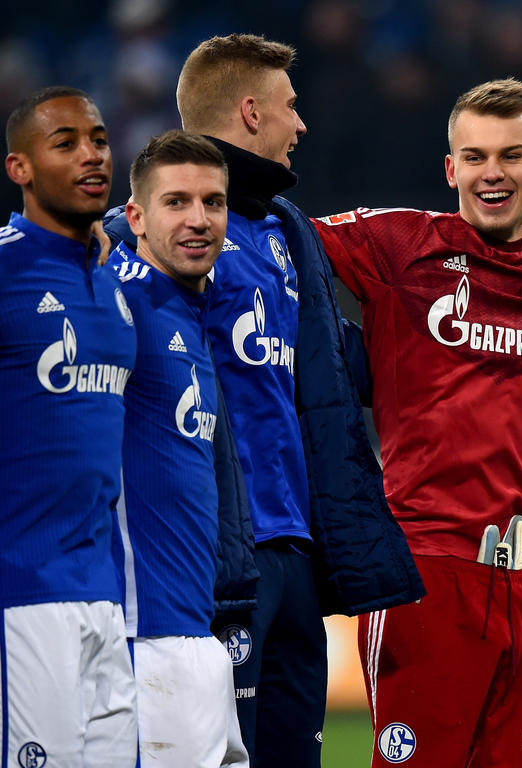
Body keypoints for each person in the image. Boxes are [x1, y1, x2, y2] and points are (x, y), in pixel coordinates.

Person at [116, 34, 424, 767]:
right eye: (291, 107)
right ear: (251, 112)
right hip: (215, 552)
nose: (302, 125)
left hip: (294, 549)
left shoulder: (288, 235)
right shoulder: (154, 240)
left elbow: (337, 367)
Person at [312, 78, 522, 768]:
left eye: (510, 155)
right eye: (473, 157)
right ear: (451, 170)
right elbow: (279, 243)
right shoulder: (399, 244)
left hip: (521, 579)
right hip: (425, 570)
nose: (491, 173)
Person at [1, 86, 137, 766]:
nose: (92, 155)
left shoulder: (109, 278)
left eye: (100, 139)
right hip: (20, 596)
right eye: (66, 143)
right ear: (18, 169)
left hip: (103, 595)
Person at [109, 130, 247, 767]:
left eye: (213, 202)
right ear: (134, 215)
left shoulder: (190, 307)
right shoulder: (118, 300)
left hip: (197, 634)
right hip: (140, 638)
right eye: (177, 202)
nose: (199, 219)